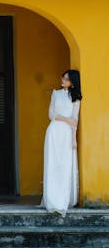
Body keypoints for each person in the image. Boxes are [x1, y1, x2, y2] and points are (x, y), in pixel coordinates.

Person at [41, 69, 81, 216]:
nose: (63, 80)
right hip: (53, 132)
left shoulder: (76, 98)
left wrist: (74, 139)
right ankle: (51, 200)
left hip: (67, 135)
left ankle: (63, 199)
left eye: (66, 78)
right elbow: (51, 114)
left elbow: (75, 121)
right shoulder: (55, 93)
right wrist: (66, 119)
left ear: (73, 82)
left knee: (64, 165)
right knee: (52, 164)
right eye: (63, 77)